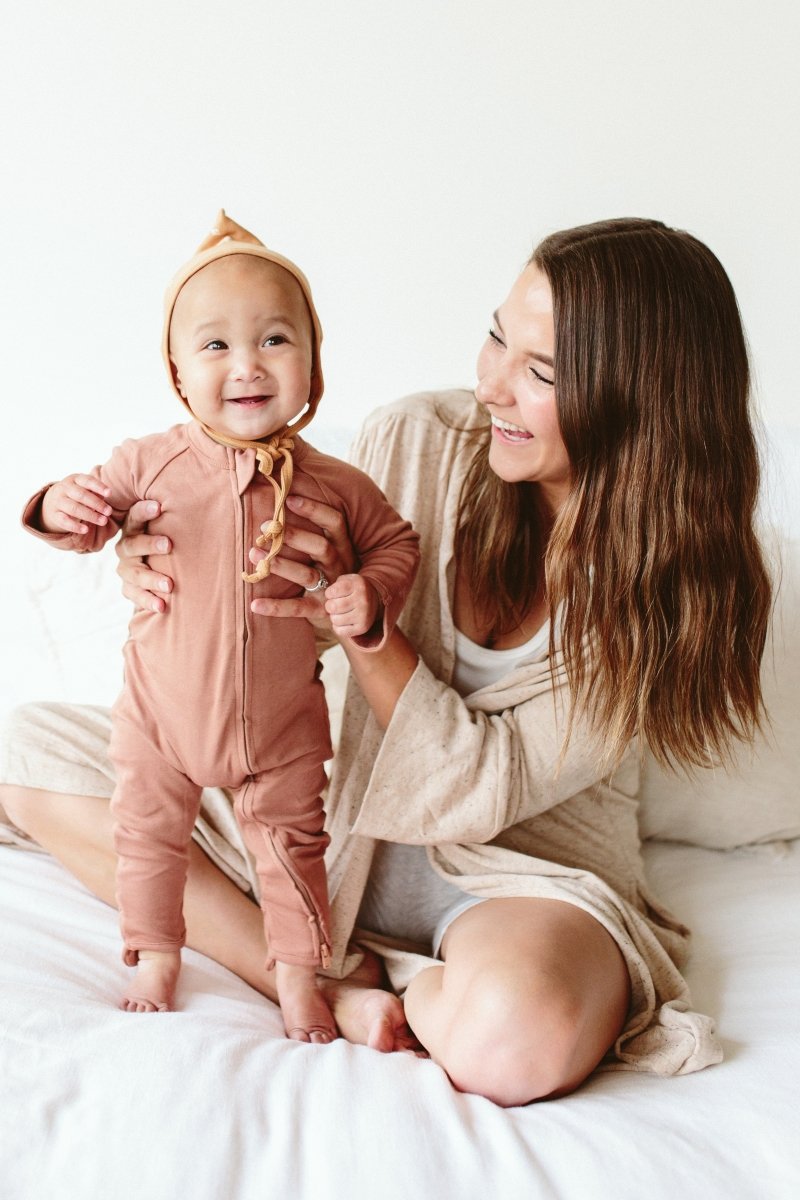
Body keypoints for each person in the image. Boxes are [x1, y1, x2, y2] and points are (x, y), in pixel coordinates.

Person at [0, 217, 771, 1106]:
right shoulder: (418, 439)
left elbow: (479, 787)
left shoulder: (676, 594)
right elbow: (286, 630)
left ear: (643, 400)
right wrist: (180, 567)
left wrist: (373, 631)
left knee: (516, 1042)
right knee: (26, 754)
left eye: (542, 372)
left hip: (508, 867)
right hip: (330, 816)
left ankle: (367, 970)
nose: (490, 386)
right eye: (496, 337)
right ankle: (319, 981)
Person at [16, 212, 420, 1043]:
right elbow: (84, 519)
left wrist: (369, 591)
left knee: (293, 851)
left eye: (275, 339)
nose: (247, 365)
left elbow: (396, 545)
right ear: (177, 372)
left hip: (280, 725)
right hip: (160, 717)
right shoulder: (148, 461)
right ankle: (155, 954)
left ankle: (300, 979)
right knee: (145, 836)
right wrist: (57, 506)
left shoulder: (337, 484)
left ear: (313, 362)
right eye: (216, 346)